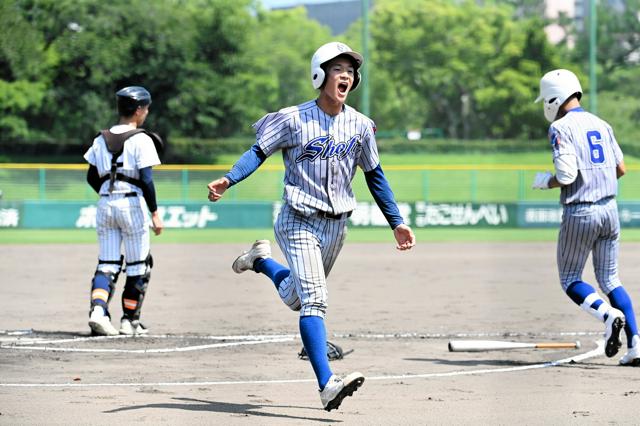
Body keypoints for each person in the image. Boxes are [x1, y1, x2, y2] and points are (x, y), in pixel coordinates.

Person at [207, 41, 416, 410]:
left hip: (337, 226)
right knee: (316, 299)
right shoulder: (293, 118)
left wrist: (396, 221)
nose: (346, 76)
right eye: (338, 70)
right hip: (297, 219)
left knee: (296, 298)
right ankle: (327, 385)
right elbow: (258, 151)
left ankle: (259, 261)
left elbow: (375, 175)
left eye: (350, 71)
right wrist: (229, 178)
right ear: (320, 75)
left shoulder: (361, 125)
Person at [532, 69, 639, 366]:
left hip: (581, 210)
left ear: (554, 97)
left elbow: (567, 175)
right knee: (611, 279)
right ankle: (636, 346)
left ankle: (608, 315)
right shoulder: (602, 124)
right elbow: (621, 169)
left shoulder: (561, 128)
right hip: (610, 210)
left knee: (570, 279)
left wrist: (546, 181)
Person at [83, 86, 164, 336]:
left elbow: (91, 177)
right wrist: (154, 212)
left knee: (107, 263)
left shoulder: (100, 139)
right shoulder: (142, 138)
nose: (147, 113)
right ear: (139, 110)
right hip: (132, 206)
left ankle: (98, 311)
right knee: (139, 264)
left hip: (106, 203)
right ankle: (129, 321)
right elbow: (147, 180)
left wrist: (109, 192)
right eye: (146, 108)